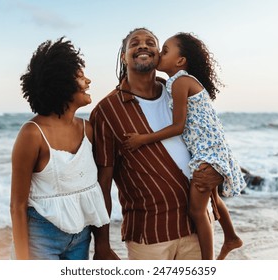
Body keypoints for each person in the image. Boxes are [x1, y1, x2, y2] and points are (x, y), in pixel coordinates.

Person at [90, 28, 221, 260]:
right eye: (134, 43)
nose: (143, 46)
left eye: (150, 42)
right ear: (124, 56)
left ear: (159, 55)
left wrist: (216, 187)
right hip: (150, 233)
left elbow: (209, 140)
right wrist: (101, 244)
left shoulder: (179, 93)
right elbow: (103, 182)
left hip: (197, 226)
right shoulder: (106, 111)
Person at [123, 32, 246, 260]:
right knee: (213, 199)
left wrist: (142, 139)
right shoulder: (180, 82)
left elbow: (178, 126)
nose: (160, 53)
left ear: (180, 61)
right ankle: (231, 237)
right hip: (213, 152)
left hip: (208, 155)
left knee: (197, 211)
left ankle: (207, 264)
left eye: (165, 50)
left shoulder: (179, 82)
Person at [10, 37, 110, 260]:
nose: (88, 81)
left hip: (81, 237)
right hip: (41, 237)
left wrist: (102, 245)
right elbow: (17, 205)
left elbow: (93, 191)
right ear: (61, 82)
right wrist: (23, 262)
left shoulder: (88, 130)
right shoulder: (32, 134)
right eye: (80, 76)